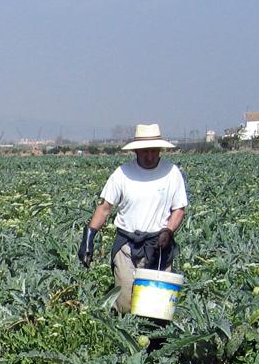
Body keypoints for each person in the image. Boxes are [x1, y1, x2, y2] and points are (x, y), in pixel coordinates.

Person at [78, 123, 189, 313]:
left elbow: (179, 209)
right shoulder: (122, 173)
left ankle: (155, 341)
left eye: (153, 151)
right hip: (127, 245)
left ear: (160, 150)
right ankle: (124, 335)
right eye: (144, 151)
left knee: (156, 307)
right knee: (125, 302)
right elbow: (104, 208)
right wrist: (88, 237)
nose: (149, 155)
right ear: (136, 151)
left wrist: (168, 231)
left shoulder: (172, 173)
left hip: (159, 244)